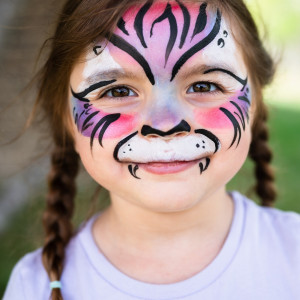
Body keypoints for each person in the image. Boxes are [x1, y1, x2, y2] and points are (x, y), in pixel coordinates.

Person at [3, 0, 300, 299]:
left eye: (204, 86)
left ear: (256, 104)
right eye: (117, 91)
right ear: (68, 120)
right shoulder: (34, 287)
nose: (165, 124)